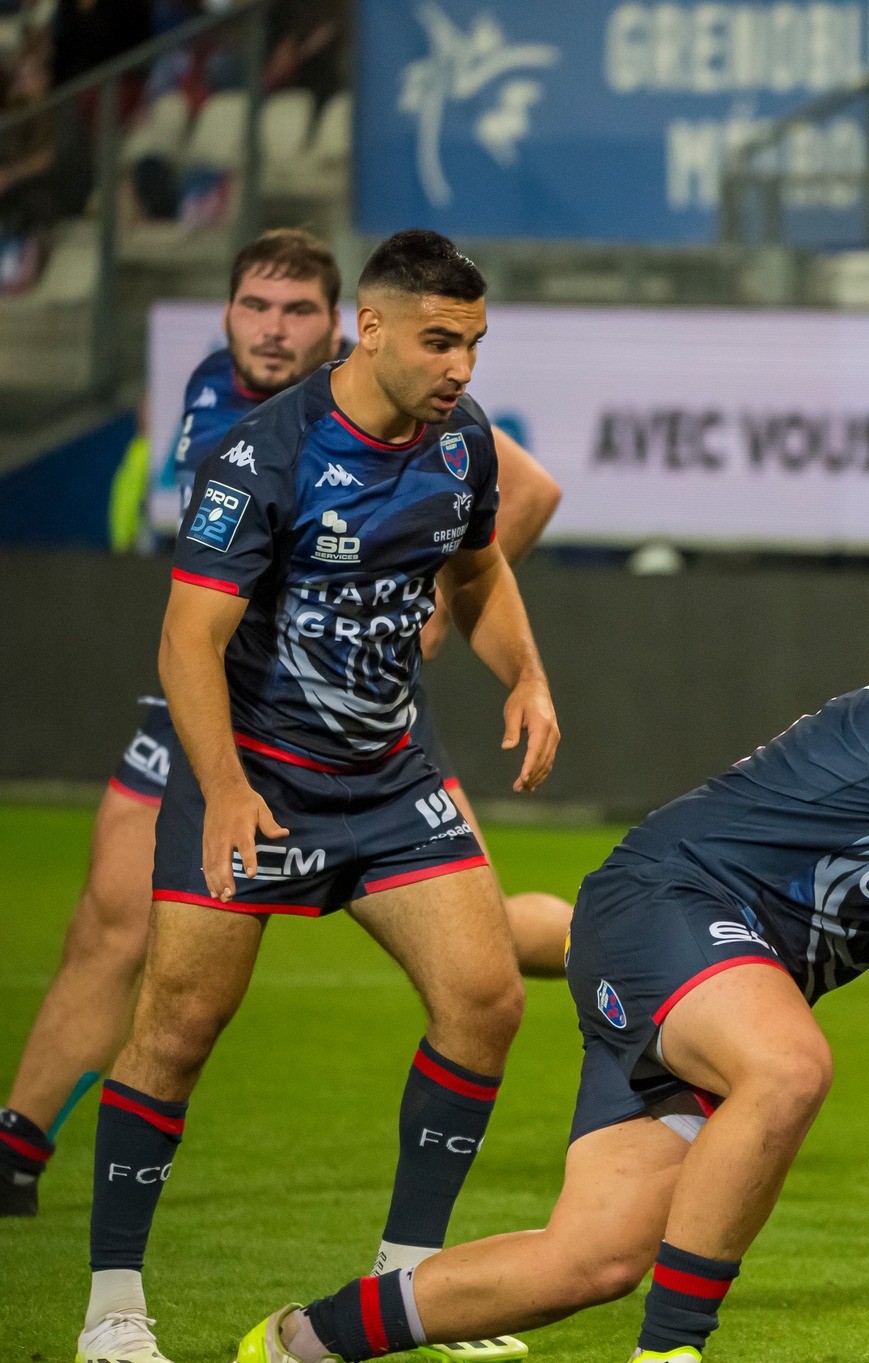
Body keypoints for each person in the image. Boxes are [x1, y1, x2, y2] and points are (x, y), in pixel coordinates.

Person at [238, 569, 869, 1363]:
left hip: (681, 951)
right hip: (672, 909)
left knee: (589, 1257)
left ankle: (302, 1337)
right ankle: (672, 1348)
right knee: (787, 1065)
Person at [0, 230, 570, 1226]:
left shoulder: (431, 416)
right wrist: (222, 780)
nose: (274, 328)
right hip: (231, 720)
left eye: (296, 310)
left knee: (482, 975)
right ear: (225, 314)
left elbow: (499, 529)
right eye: (255, 307)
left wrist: (467, 628)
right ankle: (26, 1158)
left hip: (370, 746)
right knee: (121, 938)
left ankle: (616, 939)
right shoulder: (225, 413)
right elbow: (190, 633)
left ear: (340, 324)